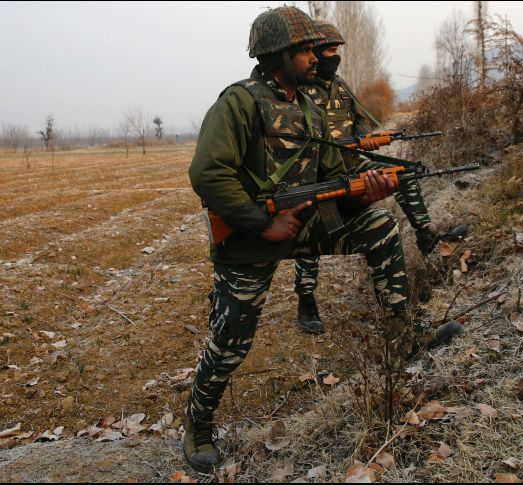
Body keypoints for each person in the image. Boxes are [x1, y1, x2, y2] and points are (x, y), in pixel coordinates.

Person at [182, 7, 462, 472]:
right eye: (307, 49)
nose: (317, 57)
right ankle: (199, 422)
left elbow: (333, 178)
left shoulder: (309, 106)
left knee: (379, 225)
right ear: (279, 54)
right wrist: (260, 222)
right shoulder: (240, 102)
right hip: (253, 235)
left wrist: (368, 189)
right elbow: (206, 172)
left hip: (308, 222)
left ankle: (405, 334)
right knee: (231, 340)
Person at [293, 20, 466, 334]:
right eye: (329, 50)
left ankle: (427, 239)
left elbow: (362, 124)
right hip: (314, 176)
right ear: (315, 53)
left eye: (337, 50)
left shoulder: (340, 87)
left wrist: (367, 139)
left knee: (400, 174)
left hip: (350, 164)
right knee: (315, 217)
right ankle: (306, 297)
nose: (335, 56)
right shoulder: (299, 92)